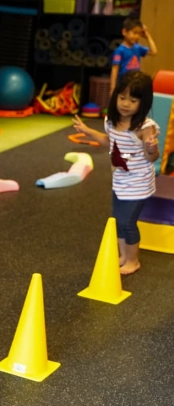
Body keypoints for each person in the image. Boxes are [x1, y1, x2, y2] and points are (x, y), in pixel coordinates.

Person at [73, 71, 159, 275]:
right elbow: (108, 141)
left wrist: (151, 147)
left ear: (143, 103)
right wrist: (87, 131)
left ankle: (133, 260)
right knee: (117, 219)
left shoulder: (144, 128)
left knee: (127, 222)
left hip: (138, 182)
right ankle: (123, 255)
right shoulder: (111, 121)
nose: (126, 104)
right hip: (120, 179)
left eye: (133, 100)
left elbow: (151, 159)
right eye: (122, 98)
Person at [110, 17, 157, 94]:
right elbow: (115, 69)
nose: (137, 36)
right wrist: (112, 88)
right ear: (124, 32)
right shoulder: (119, 50)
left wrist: (147, 36)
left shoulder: (137, 47)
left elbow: (154, 51)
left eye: (139, 33)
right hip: (123, 84)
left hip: (135, 83)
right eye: (135, 33)